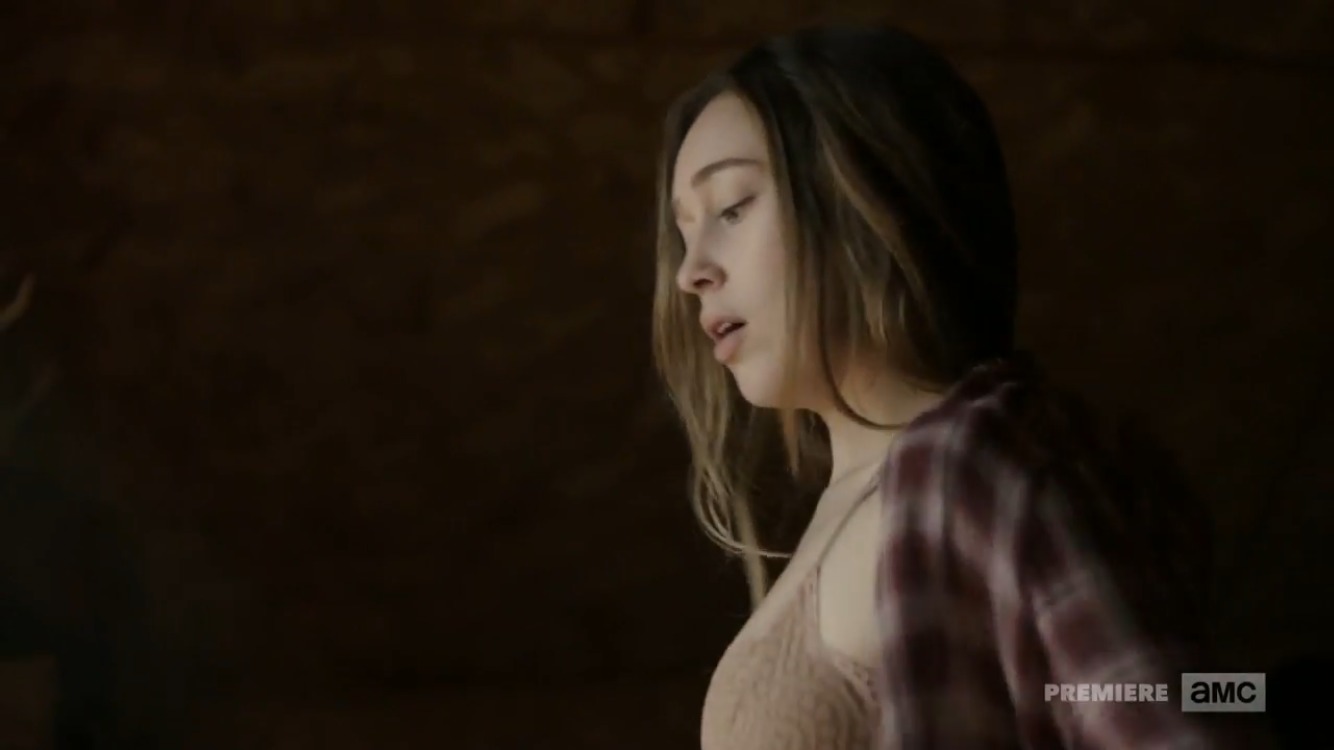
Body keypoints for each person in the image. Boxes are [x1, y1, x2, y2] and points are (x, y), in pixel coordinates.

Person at [651, 24, 1236, 749]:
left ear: (866, 195)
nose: (691, 271)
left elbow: (1204, 704)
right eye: (686, 231)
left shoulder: (968, 463)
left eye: (733, 206)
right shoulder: (858, 500)